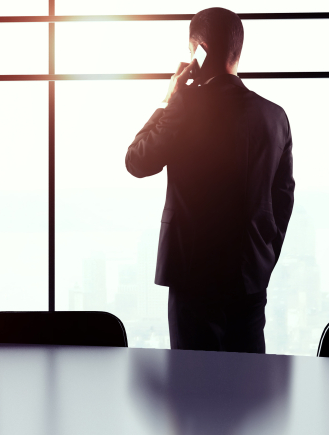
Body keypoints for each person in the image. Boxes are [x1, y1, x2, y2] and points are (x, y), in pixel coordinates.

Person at [124, 7, 294, 353]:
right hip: (250, 276)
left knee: (192, 387)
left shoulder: (184, 106)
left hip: (192, 274)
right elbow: (283, 198)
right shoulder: (275, 117)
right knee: (245, 384)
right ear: (238, 51)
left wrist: (169, 97)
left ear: (197, 50)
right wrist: (262, 256)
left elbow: (137, 160)